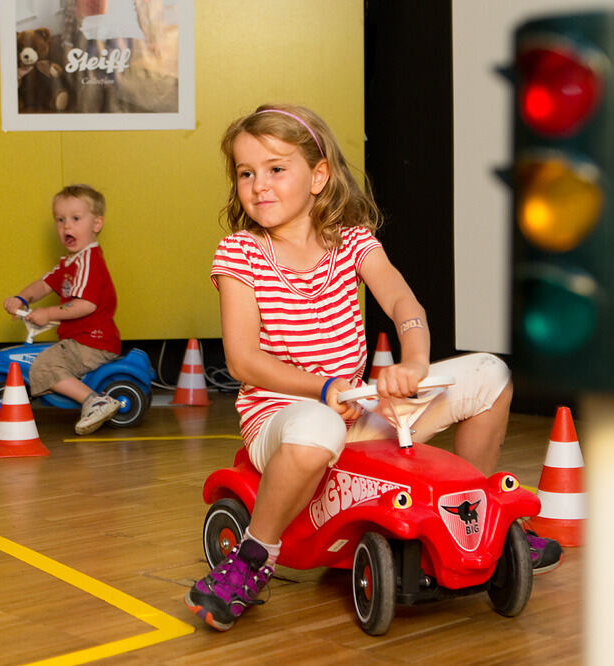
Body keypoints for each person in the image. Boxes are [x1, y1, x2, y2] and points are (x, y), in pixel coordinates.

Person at [185, 103, 561, 631]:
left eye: (275, 169)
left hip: (358, 409)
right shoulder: (240, 254)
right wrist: (324, 389)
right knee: (316, 425)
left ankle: (477, 522)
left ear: (318, 176)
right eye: (246, 173)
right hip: (285, 418)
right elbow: (245, 361)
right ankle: (253, 558)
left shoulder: (354, 240)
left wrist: (413, 363)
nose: (258, 185)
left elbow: (406, 306)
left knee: (490, 375)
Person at [3, 184, 122, 435]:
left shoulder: (88, 261)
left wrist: (47, 313)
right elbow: (44, 285)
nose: (67, 226)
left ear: (96, 224)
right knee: (50, 358)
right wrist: (21, 299)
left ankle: (95, 401)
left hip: (91, 341)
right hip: (79, 340)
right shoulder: (70, 262)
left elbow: (85, 304)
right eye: (60, 220)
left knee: (45, 365)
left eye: (76, 219)